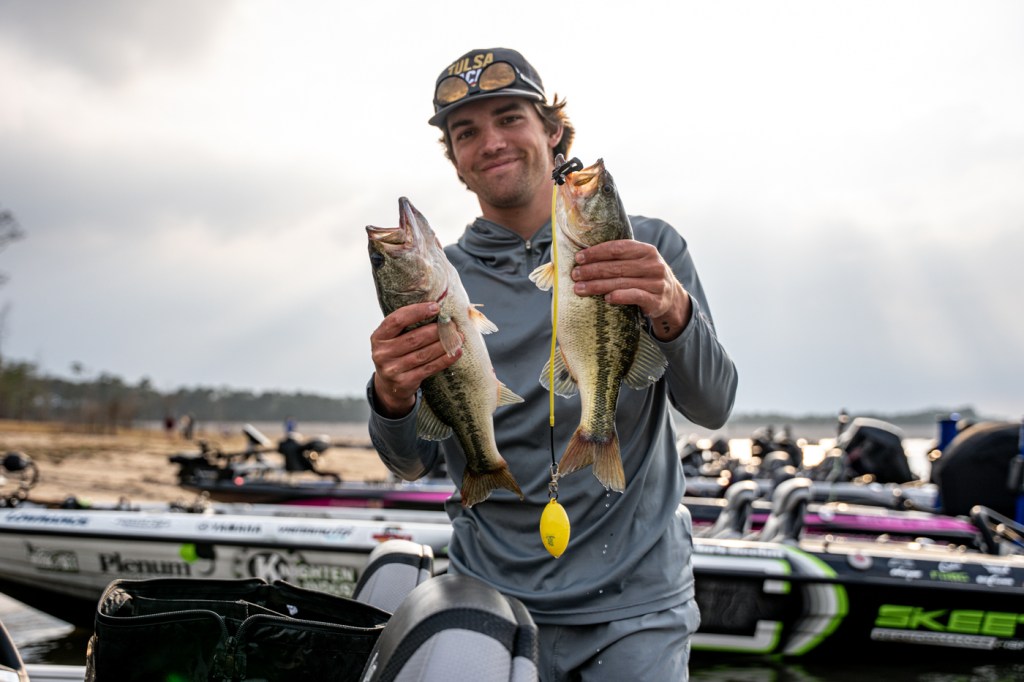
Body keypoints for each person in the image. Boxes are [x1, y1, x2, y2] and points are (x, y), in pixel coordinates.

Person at [367, 47, 737, 681]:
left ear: (554, 130)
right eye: (466, 132)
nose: (491, 142)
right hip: (489, 606)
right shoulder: (435, 282)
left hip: (638, 610)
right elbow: (411, 463)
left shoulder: (645, 247)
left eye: (510, 118)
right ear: (456, 161)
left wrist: (673, 306)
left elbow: (713, 405)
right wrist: (391, 397)